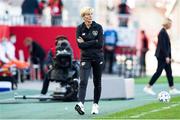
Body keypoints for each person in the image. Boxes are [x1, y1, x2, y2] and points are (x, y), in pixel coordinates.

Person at [74, 6, 104, 115]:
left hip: (97, 58)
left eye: (91, 14)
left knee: (97, 82)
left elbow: (100, 44)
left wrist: (86, 42)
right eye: (88, 14)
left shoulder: (98, 27)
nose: (90, 16)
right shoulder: (79, 28)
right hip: (85, 58)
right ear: (83, 16)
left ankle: (95, 105)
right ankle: (81, 104)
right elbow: (80, 45)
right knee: (83, 81)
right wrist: (93, 41)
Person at [143, 18, 180, 95]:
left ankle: (172, 88)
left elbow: (166, 46)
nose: (171, 25)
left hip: (165, 56)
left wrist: (169, 56)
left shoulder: (164, 32)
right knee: (159, 72)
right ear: (167, 24)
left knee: (169, 72)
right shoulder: (162, 33)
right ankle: (148, 87)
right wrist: (166, 57)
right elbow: (162, 46)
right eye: (170, 24)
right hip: (162, 56)